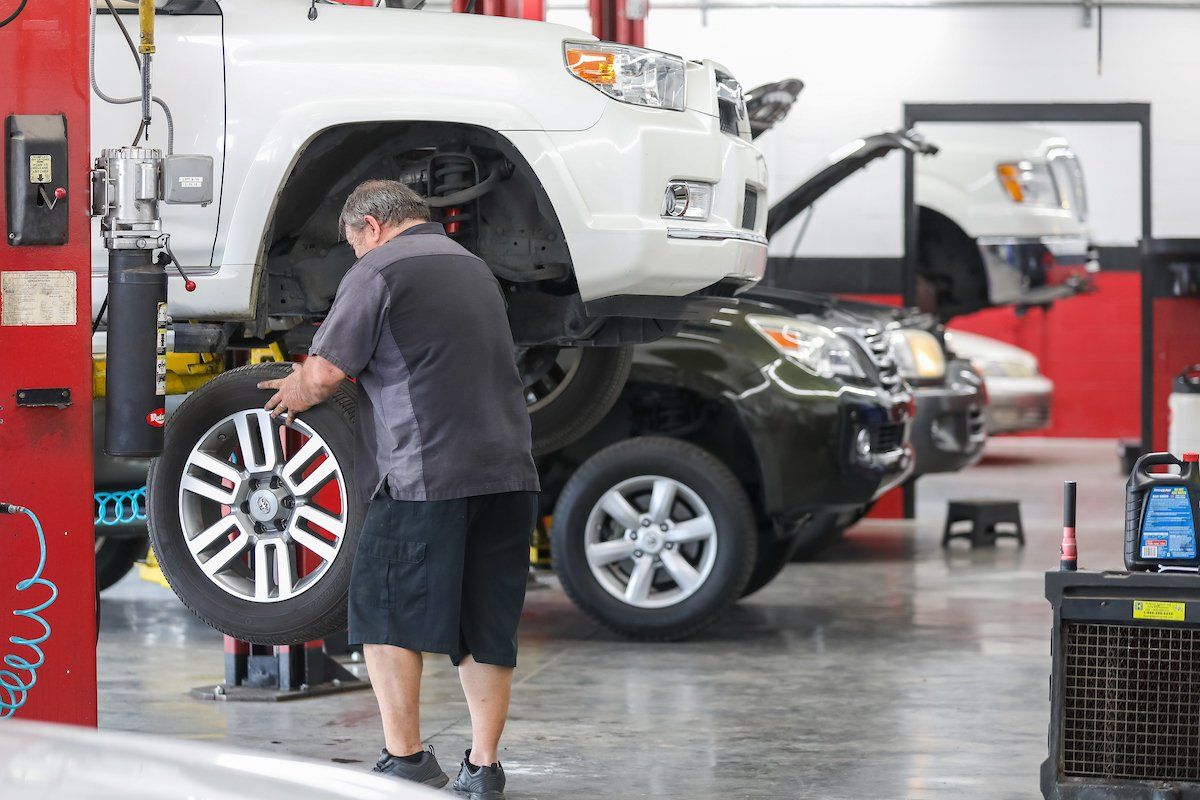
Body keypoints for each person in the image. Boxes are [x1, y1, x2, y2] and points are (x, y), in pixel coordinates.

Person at [258, 179, 539, 800]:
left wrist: (288, 393)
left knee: (385, 615)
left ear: (371, 227)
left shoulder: (381, 268)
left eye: (353, 245)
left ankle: (405, 757)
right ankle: (484, 767)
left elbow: (327, 373)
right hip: (508, 470)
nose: (356, 256)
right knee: (486, 622)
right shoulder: (474, 268)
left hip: (424, 474)